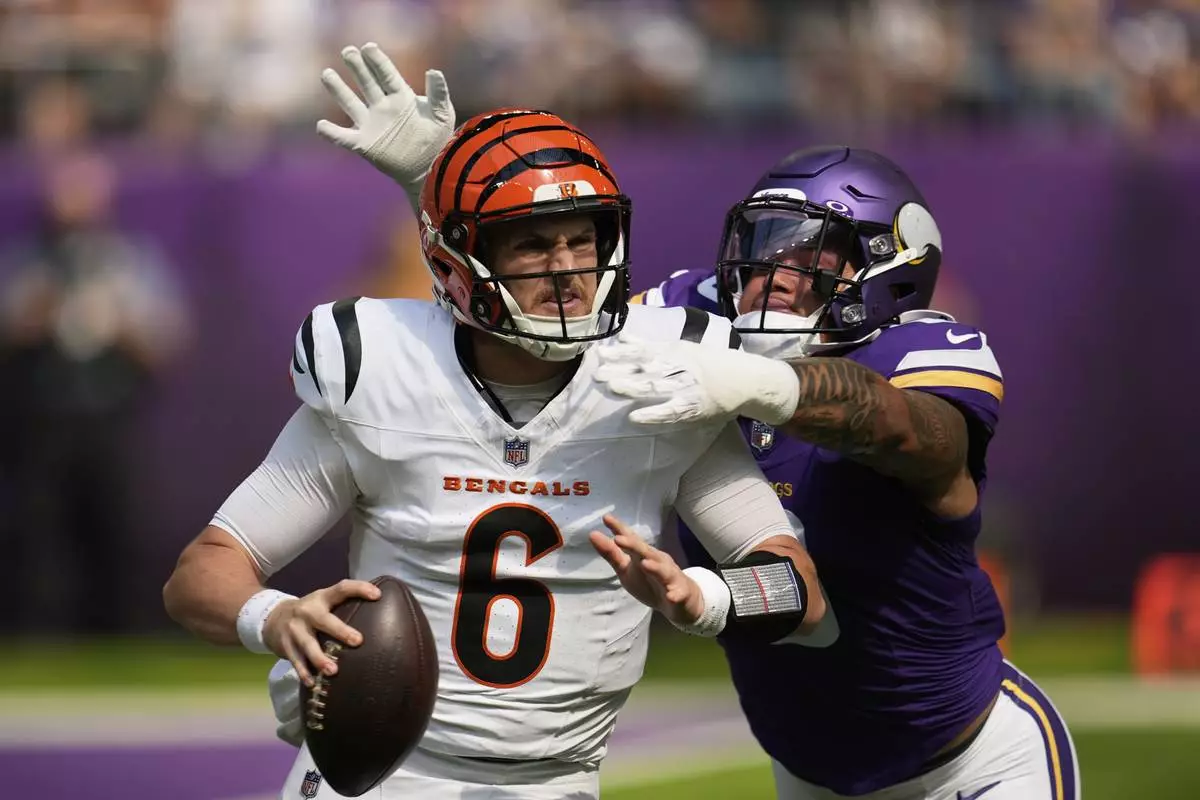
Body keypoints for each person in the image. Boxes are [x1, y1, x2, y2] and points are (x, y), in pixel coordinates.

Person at [162, 59, 825, 800]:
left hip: (560, 783)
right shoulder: (384, 374)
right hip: (383, 778)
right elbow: (201, 576)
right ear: (456, 263)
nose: (569, 269)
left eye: (584, 240)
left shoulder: (659, 386)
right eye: (534, 246)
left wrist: (701, 598)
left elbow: (799, 589)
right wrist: (275, 615)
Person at [599, 146, 1080, 800]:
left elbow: (911, 432)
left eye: (810, 253)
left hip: (973, 766)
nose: (773, 270)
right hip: (811, 778)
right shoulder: (698, 317)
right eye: (765, 242)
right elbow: (566, 336)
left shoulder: (922, 353)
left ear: (887, 268)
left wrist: (754, 381)